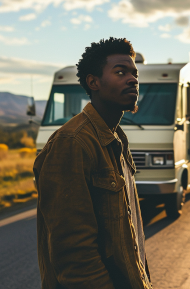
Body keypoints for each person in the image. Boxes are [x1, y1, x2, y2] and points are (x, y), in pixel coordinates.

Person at [34, 37, 152, 289]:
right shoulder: (72, 142)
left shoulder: (115, 137)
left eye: (134, 73)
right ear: (93, 82)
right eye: (120, 72)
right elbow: (74, 253)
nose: (133, 79)